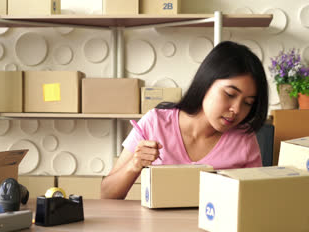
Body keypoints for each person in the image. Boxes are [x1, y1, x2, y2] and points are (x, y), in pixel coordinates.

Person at [101, 41, 269, 199]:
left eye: (248, 103)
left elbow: (257, 200)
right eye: (230, 94)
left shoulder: (245, 139)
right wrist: (134, 165)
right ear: (206, 82)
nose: (237, 110)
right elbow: (106, 194)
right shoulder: (155, 123)